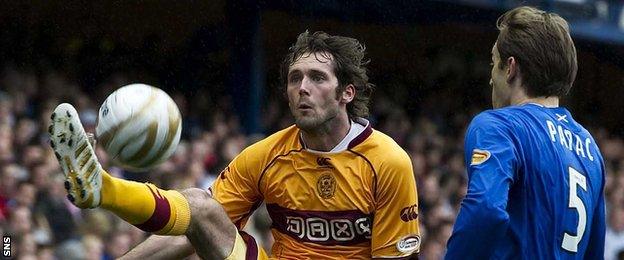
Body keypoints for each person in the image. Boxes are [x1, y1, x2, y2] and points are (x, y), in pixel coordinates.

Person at [48, 31, 420, 259]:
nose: (302, 88)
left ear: (346, 93)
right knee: (199, 204)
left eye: (317, 78)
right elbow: (193, 229)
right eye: (295, 78)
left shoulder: (387, 162)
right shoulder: (266, 155)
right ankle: (102, 188)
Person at [445, 6, 606, 259]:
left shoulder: (497, 126)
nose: (490, 78)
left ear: (510, 67)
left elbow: (485, 210)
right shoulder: (590, 148)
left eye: (492, 62)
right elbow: (594, 252)